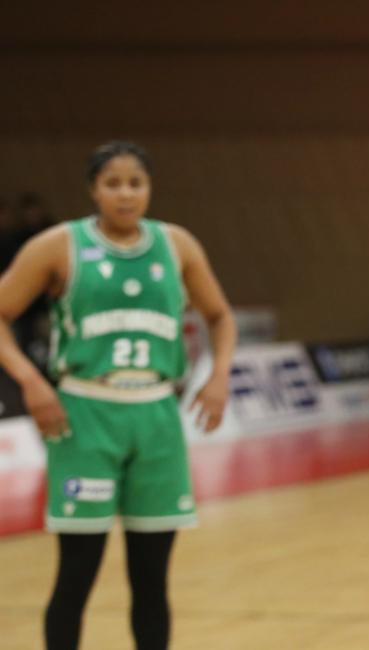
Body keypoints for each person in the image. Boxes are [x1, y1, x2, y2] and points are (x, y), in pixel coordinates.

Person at [0, 141, 237, 650]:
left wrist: (218, 376)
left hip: (156, 415)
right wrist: (32, 381)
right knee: (76, 575)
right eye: (113, 183)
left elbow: (219, 315)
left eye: (136, 183)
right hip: (84, 415)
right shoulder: (58, 245)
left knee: (152, 580)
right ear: (93, 190)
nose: (125, 194)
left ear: (149, 188)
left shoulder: (177, 245)